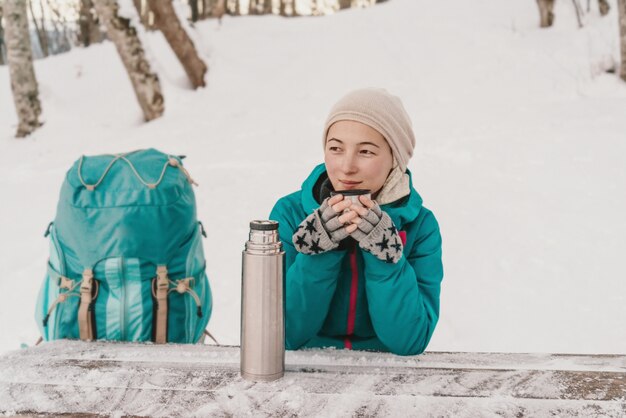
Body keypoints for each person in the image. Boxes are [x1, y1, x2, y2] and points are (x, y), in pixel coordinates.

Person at [269, 88, 443, 356]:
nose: (347, 166)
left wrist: (385, 257)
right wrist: (318, 250)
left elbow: (409, 341)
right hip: (302, 376)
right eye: (336, 148)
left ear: (395, 159)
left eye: (366, 152)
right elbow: (285, 334)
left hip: (384, 378)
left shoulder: (420, 226)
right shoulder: (290, 213)